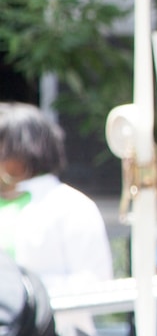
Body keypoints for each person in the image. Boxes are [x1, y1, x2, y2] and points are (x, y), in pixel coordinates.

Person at [0, 104, 114, 306]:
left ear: (23, 153)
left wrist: (23, 294)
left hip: (55, 332)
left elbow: (95, 282)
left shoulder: (70, 206)